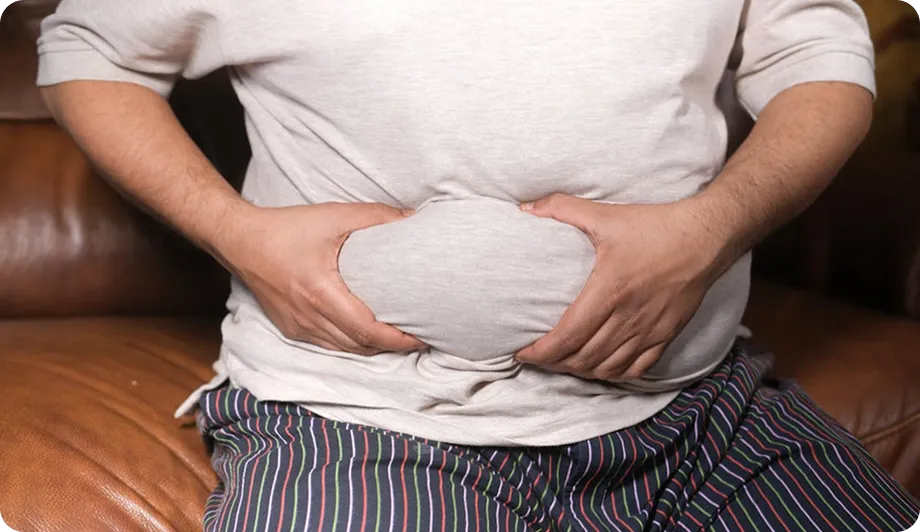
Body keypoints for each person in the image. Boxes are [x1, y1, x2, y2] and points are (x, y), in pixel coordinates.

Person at [36, 0, 920, 530]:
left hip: (700, 414)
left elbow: (815, 56)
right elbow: (88, 48)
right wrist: (232, 230)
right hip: (358, 423)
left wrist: (713, 228)